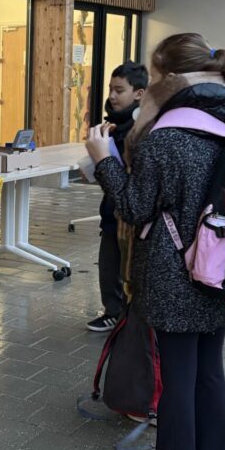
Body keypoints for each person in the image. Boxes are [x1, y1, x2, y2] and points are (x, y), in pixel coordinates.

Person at [86, 32, 225, 450]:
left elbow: (133, 207)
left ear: (168, 80)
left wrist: (102, 161)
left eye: (153, 78)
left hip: (173, 275)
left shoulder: (166, 138)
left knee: (177, 377)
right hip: (220, 272)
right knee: (209, 374)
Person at [86, 61, 147, 334]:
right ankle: (113, 310)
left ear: (139, 93)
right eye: (111, 89)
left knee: (126, 266)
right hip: (111, 210)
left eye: (119, 90)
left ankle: (126, 315)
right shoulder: (111, 126)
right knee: (108, 265)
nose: (111, 95)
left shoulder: (141, 130)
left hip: (129, 213)